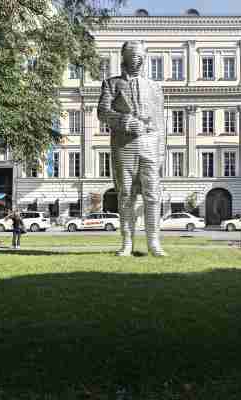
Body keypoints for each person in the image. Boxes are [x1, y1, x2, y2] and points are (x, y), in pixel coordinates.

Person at [97, 41, 166, 257]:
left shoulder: (154, 87)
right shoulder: (111, 84)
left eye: (140, 57)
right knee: (126, 194)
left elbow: (160, 121)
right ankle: (127, 242)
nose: (137, 61)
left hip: (150, 143)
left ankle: (154, 242)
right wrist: (124, 120)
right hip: (124, 144)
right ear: (124, 57)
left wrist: (161, 152)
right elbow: (102, 112)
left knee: (153, 194)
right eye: (133, 56)